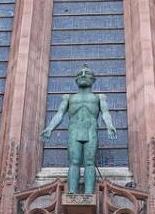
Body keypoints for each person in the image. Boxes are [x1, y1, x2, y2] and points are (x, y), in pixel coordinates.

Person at [40, 65, 117, 194]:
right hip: (74, 133)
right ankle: (71, 193)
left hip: (90, 132)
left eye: (86, 73)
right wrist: (49, 128)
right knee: (74, 162)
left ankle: (88, 194)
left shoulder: (99, 97)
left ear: (93, 80)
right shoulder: (69, 98)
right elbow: (59, 114)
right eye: (80, 74)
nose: (83, 75)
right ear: (76, 80)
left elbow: (105, 113)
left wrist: (109, 125)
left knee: (89, 162)